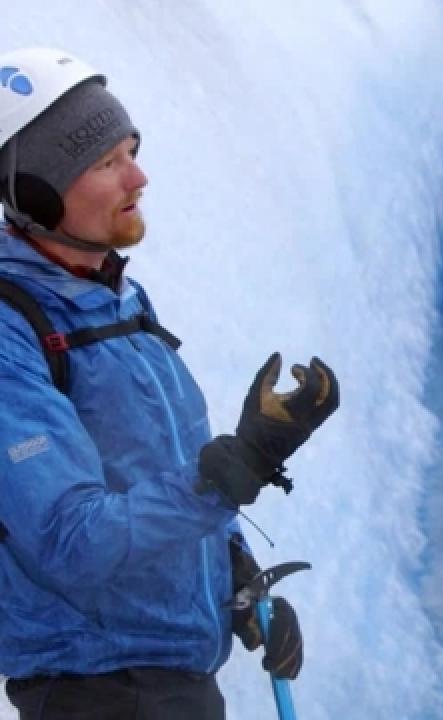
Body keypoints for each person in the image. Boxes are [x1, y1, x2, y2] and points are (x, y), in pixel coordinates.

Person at [0, 47, 339, 719]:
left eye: (133, 149)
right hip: (98, 689)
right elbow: (71, 538)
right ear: (37, 192)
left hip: (166, 683)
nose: (139, 175)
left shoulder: (119, 300)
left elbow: (151, 470)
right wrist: (232, 473)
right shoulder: (13, 332)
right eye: (106, 162)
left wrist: (233, 580)